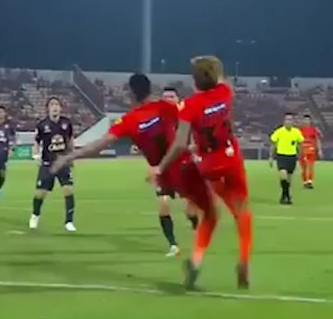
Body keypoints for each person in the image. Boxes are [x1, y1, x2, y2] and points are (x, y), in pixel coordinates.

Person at [52, 75, 215, 257]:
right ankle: (173, 245)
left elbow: (100, 144)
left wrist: (70, 156)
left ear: (130, 93)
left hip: (180, 163)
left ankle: (195, 224)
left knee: (191, 209)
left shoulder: (159, 109)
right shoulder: (135, 118)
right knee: (164, 204)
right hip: (162, 170)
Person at [154, 56, 253, 290]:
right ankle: (244, 260)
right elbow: (222, 79)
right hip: (230, 158)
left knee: (209, 215)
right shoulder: (225, 93)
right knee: (242, 211)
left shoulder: (189, 105)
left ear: (195, 79)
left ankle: (196, 261)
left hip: (207, 164)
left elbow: (180, 143)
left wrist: (161, 166)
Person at [29, 97, 76, 232]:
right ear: (48, 108)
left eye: (57, 105)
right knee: (41, 193)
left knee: (68, 190)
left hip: (62, 162)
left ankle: (69, 221)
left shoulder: (66, 123)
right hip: (47, 163)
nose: (55, 107)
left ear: (60, 108)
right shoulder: (42, 125)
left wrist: (72, 155)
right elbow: (36, 141)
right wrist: (36, 155)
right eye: (52, 105)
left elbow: (70, 140)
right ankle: (35, 215)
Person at [160, 87, 200, 233]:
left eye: (171, 97)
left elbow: (195, 133)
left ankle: (195, 222)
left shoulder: (186, 114)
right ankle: (171, 240)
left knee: (190, 204)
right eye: (165, 97)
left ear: (178, 99)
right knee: (164, 199)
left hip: (185, 162)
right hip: (165, 164)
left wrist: (194, 148)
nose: (168, 99)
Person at [269, 113, 305, 205]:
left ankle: (284, 195)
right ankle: (287, 195)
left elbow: (300, 144)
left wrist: (301, 155)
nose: (288, 122)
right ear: (284, 121)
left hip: (292, 157)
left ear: (293, 122)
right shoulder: (279, 131)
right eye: (287, 120)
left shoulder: (296, 132)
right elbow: (273, 144)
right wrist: (271, 157)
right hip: (281, 156)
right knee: (283, 175)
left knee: (289, 179)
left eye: (290, 120)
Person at [298, 114, 323, 189]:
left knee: (311, 166)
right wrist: (298, 150)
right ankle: (305, 182)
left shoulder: (314, 129)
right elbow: (297, 141)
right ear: (303, 121)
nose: (306, 121)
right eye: (305, 120)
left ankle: (310, 182)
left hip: (311, 150)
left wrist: (319, 150)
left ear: (310, 121)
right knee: (304, 168)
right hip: (303, 151)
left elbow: (318, 139)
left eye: (308, 120)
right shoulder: (299, 130)